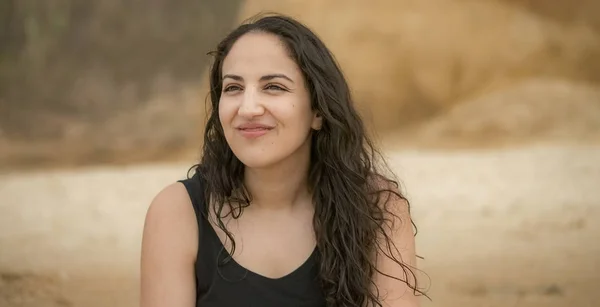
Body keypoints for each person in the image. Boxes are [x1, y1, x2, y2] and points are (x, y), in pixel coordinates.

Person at [140, 13, 426, 307]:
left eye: (273, 87)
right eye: (233, 88)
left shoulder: (377, 206)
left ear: (318, 111)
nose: (248, 108)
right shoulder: (178, 212)